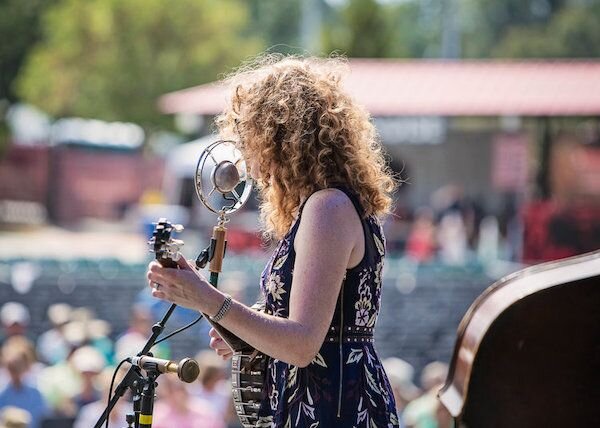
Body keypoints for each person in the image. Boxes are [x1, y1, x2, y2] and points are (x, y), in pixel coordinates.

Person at [147, 55, 399, 427]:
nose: (247, 155)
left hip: (333, 409)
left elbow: (303, 343)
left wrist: (206, 297)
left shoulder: (327, 207)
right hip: (332, 400)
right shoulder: (335, 204)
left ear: (282, 137)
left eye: (251, 136)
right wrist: (241, 330)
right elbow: (317, 330)